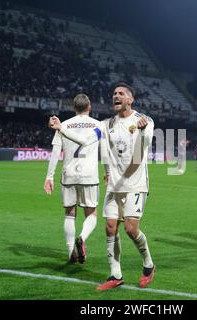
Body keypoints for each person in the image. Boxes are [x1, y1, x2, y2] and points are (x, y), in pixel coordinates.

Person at [50, 83, 156, 290]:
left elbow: (143, 148)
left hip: (135, 184)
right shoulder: (105, 125)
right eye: (114, 94)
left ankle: (149, 265)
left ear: (130, 99)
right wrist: (61, 128)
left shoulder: (144, 121)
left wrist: (143, 132)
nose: (116, 96)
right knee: (109, 227)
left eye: (121, 93)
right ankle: (115, 275)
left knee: (131, 229)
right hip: (114, 186)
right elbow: (84, 140)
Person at [44, 94, 100, 264]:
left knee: (69, 213)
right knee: (92, 213)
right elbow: (105, 152)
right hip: (89, 174)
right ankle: (81, 238)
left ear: (74, 108)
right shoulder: (98, 126)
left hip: (68, 174)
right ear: (89, 107)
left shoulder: (64, 125)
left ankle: (71, 252)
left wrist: (49, 176)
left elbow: (55, 152)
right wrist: (109, 172)